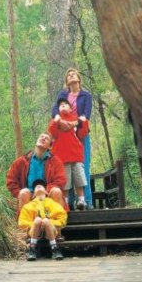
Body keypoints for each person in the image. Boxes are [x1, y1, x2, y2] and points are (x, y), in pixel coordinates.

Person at [52, 67, 94, 206]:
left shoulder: (86, 96)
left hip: (80, 133)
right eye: (68, 75)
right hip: (64, 135)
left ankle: (86, 202)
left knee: (82, 167)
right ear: (66, 81)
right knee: (66, 166)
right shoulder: (63, 94)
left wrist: (74, 123)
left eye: (73, 73)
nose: (71, 75)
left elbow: (86, 115)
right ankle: (68, 204)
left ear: (78, 78)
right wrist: (60, 120)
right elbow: (55, 109)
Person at [6, 132, 67, 212]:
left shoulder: (55, 161)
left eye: (46, 138)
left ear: (50, 146)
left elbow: (61, 180)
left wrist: (43, 192)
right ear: (36, 141)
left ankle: (57, 223)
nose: (43, 138)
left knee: (56, 191)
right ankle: (26, 224)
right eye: (41, 136)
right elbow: (10, 180)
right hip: (29, 197)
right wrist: (19, 194)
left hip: (48, 196)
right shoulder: (22, 161)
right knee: (24, 192)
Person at [48, 97, 90, 210]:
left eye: (66, 105)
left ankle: (81, 200)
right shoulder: (56, 121)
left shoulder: (76, 120)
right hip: (61, 156)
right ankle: (65, 201)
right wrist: (56, 120)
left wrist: (84, 122)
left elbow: (82, 134)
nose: (63, 106)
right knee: (64, 180)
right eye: (61, 105)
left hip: (76, 155)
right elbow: (52, 132)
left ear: (71, 109)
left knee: (79, 178)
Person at [17, 181, 67, 260]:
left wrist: (50, 222)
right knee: (37, 220)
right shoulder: (28, 206)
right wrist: (35, 223)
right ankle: (32, 249)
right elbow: (22, 222)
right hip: (35, 231)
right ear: (33, 194)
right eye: (36, 187)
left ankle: (54, 248)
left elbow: (62, 218)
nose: (38, 186)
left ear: (46, 192)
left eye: (41, 186)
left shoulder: (53, 204)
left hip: (50, 229)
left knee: (46, 221)